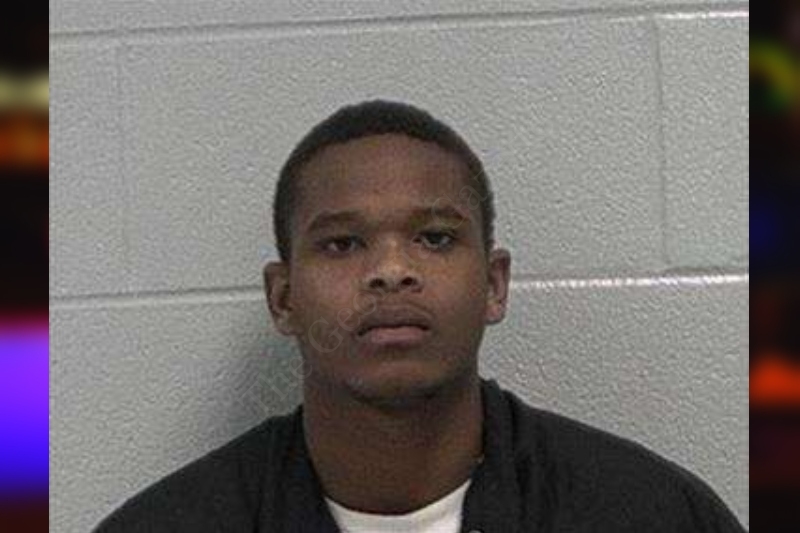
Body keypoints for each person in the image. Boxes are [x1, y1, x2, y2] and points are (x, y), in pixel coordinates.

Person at [94, 99, 746, 532]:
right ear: (283, 298)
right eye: (342, 243)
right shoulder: (170, 525)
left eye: (435, 238)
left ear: (493, 285)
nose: (391, 270)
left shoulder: (647, 515)